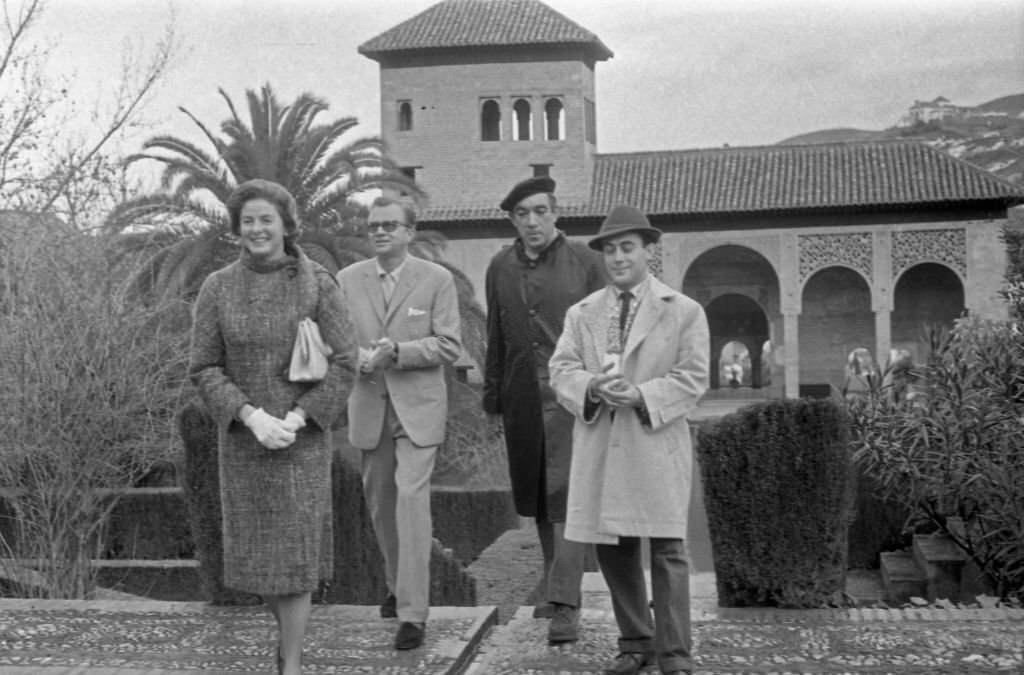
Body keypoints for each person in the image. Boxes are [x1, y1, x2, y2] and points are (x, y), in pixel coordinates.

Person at [189, 179, 354, 675]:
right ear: (237, 229)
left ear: (286, 224)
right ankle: (286, 643)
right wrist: (251, 416)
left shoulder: (318, 282)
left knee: (297, 560)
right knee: (263, 561)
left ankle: (293, 662)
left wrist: (299, 417)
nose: (257, 229)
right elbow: (203, 368)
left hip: (301, 442)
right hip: (245, 443)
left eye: (267, 219)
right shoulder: (217, 287)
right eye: (248, 221)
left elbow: (347, 361)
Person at [549, 205, 710, 675]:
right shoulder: (582, 314)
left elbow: (693, 377)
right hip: (603, 439)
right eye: (611, 250)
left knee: (667, 547)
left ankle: (675, 653)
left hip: (654, 439)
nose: (618, 258)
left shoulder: (682, 311)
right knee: (613, 545)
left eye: (627, 248)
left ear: (646, 251)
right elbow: (562, 368)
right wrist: (592, 387)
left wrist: (641, 394)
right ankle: (635, 642)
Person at [483, 176, 605, 644]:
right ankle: (556, 585)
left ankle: (566, 604)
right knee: (538, 498)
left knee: (568, 499)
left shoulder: (587, 263)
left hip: (574, 401)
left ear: (555, 213)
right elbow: (496, 334)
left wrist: (600, 390)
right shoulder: (499, 267)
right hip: (520, 401)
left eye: (539, 211)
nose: (532, 221)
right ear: (513, 220)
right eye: (522, 214)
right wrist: (493, 398)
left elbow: (605, 334)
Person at [337, 196, 462, 650]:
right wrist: (359, 360)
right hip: (370, 406)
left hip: (418, 411)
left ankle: (413, 613)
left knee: (411, 502)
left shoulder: (436, 280)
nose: (381, 232)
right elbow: (337, 344)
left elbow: (449, 346)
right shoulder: (347, 280)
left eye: (391, 225)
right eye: (374, 226)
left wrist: (401, 353)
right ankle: (396, 584)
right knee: (381, 507)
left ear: (411, 232)